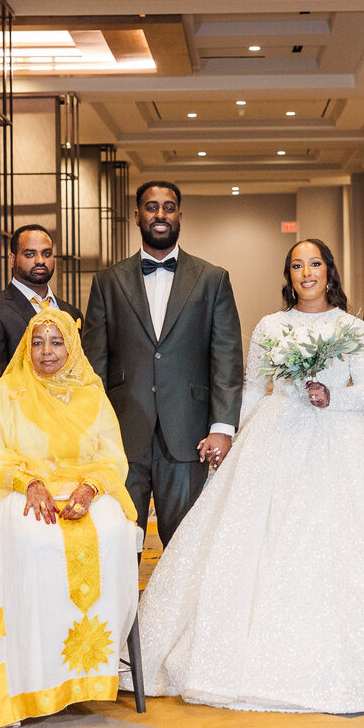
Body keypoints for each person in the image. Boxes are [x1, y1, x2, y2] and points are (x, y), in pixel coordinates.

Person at [132, 240, 364, 712]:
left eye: (314, 263)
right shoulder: (271, 327)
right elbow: (254, 386)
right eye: (297, 265)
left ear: (329, 272)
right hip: (277, 437)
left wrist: (331, 396)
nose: (306, 272)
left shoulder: (351, 326)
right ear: (289, 275)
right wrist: (235, 439)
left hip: (343, 438)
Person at [0, 307, 141, 726]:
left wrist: (90, 488)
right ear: (25, 348)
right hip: (26, 490)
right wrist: (27, 483)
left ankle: (92, 670)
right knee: (33, 537)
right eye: (37, 342)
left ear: (72, 345)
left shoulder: (91, 391)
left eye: (56, 341)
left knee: (112, 532)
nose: (46, 351)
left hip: (86, 489)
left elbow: (113, 457)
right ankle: (33, 672)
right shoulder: (8, 392)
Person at [82, 181, 244, 545]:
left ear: (180, 216)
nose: (160, 214)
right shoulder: (107, 281)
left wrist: (222, 426)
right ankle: (124, 606)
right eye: (152, 207)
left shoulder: (212, 279)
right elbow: (93, 363)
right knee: (118, 542)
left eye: (168, 207)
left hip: (189, 433)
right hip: (121, 435)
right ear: (137, 215)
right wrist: (90, 429)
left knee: (186, 545)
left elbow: (227, 358)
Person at [0, 224, 82, 407]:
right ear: (12, 259)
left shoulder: (71, 313)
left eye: (46, 254)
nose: (40, 260)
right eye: (30, 254)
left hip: (70, 423)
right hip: (20, 425)